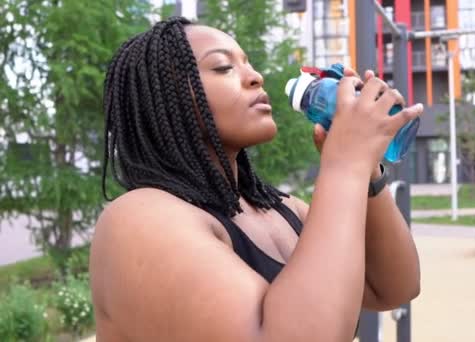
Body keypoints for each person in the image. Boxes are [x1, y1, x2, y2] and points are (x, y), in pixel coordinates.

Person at [89, 16, 422, 342]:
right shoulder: (140, 220)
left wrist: (366, 169)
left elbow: (394, 286)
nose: (255, 77)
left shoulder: (282, 209)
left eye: (248, 63)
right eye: (223, 67)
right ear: (162, 96)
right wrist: (344, 164)